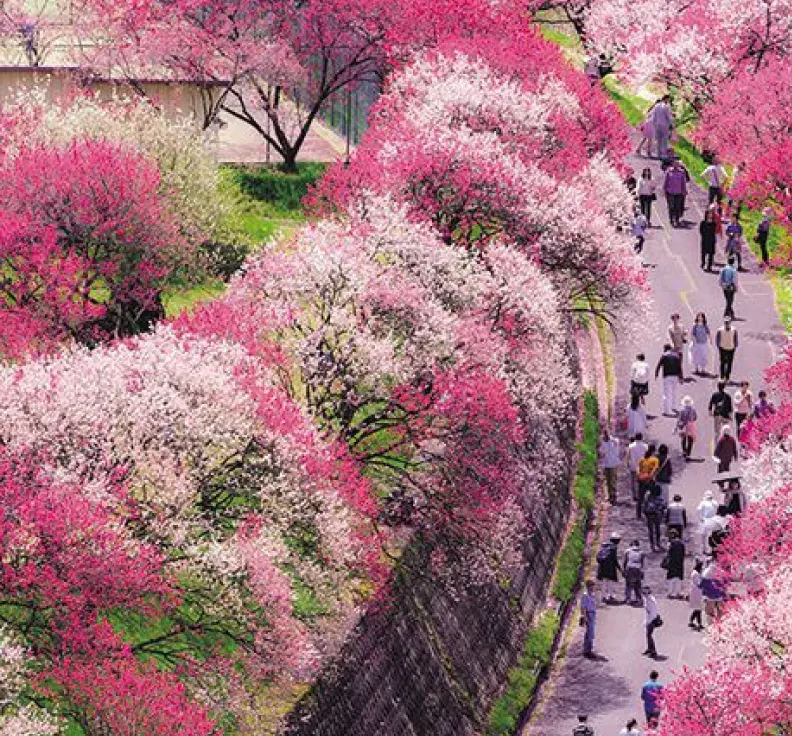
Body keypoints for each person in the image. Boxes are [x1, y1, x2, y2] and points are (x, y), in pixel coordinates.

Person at [654, 344, 684, 416]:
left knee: (666, 393)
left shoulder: (664, 356)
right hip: (675, 376)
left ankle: (667, 410)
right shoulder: (676, 356)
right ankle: (674, 406)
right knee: (674, 392)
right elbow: (679, 367)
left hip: (666, 376)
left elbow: (658, 366)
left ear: (665, 349)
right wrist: (681, 377)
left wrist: (656, 374)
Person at [596, 532, 622, 603]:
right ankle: (610, 596)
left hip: (602, 567)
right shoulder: (614, 547)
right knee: (610, 582)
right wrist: (619, 569)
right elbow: (614, 559)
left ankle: (603, 596)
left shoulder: (604, 545)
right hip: (610, 568)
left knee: (604, 581)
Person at [636, 444, 659, 520]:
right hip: (650, 480)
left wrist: (639, 476)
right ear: (654, 451)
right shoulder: (655, 460)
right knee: (652, 497)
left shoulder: (642, 459)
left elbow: (638, 468)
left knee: (640, 497)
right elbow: (654, 470)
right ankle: (650, 512)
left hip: (641, 480)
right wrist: (650, 477)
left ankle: (638, 514)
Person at [599, 430, 621, 505]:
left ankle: (613, 496)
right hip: (607, 464)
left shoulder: (614, 441)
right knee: (608, 481)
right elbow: (601, 452)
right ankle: (610, 495)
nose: (605, 436)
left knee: (613, 480)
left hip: (613, 464)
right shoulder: (603, 443)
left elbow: (617, 444)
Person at [663, 158, 687, 227]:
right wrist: (664, 189)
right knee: (671, 206)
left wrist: (684, 190)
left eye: (677, 164)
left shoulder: (682, 172)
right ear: (672, 164)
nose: (676, 165)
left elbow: (683, 182)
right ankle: (671, 219)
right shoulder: (669, 171)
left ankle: (676, 220)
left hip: (679, 192)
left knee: (677, 207)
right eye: (675, 163)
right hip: (670, 192)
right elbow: (666, 181)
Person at [715, 316, 738, 382]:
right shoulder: (720, 330)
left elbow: (735, 339)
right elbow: (717, 339)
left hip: (731, 348)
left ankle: (727, 377)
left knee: (730, 363)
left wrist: (735, 346)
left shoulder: (734, 330)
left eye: (728, 322)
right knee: (722, 362)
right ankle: (722, 376)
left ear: (730, 322)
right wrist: (719, 347)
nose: (727, 324)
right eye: (726, 322)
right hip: (722, 348)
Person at [643, 485, 666, 552]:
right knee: (657, 530)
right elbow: (663, 507)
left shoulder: (648, 498)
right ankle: (658, 543)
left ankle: (652, 545)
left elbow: (644, 508)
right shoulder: (660, 499)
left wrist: (646, 514)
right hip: (657, 516)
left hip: (650, 516)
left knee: (651, 531)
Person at [627, 433, 649, 502]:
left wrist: (628, 464)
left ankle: (635, 496)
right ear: (641, 438)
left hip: (633, 466)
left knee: (633, 482)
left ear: (635, 438)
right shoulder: (646, 446)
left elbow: (628, 456)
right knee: (643, 481)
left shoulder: (631, 446)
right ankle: (642, 495)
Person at [664, 529, 686, 598]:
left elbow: (668, 553)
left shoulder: (670, 543)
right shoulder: (682, 543)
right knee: (678, 577)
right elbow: (683, 553)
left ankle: (670, 593)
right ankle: (678, 592)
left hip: (672, 562)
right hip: (679, 562)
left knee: (671, 578)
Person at [697, 490, 719, 555]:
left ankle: (708, 549)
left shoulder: (712, 502)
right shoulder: (704, 502)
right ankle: (705, 549)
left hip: (709, 520)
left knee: (708, 536)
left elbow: (717, 507)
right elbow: (699, 510)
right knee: (705, 536)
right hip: (707, 520)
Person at [624, 540, 645, 605]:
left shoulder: (627, 551)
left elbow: (625, 561)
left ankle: (628, 599)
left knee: (628, 585)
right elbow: (642, 563)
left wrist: (624, 570)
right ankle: (639, 599)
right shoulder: (641, 552)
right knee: (638, 584)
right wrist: (642, 571)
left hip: (630, 568)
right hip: (638, 568)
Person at [642, 589, 662, 659]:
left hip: (651, 620)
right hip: (649, 619)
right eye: (643, 592)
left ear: (649, 592)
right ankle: (649, 649)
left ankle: (653, 651)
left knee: (649, 635)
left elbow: (653, 612)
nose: (644, 594)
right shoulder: (646, 599)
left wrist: (649, 622)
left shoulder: (651, 601)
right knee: (648, 635)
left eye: (646, 592)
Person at [580, 580, 597, 658]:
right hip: (588, 614)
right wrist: (584, 616)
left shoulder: (592, 595)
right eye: (591, 586)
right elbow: (583, 607)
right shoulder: (585, 595)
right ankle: (587, 651)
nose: (593, 588)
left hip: (592, 614)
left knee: (590, 633)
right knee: (590, 633)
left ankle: (588, 650)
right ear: (588, 587)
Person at [688, 558, 705, 630]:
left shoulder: (695, 573)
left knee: (698, 608)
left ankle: (692, 621)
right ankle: (699, 623)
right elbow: (699, 583)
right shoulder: (696, 574)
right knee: (698, 609)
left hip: (696, 592)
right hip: (696, 592)